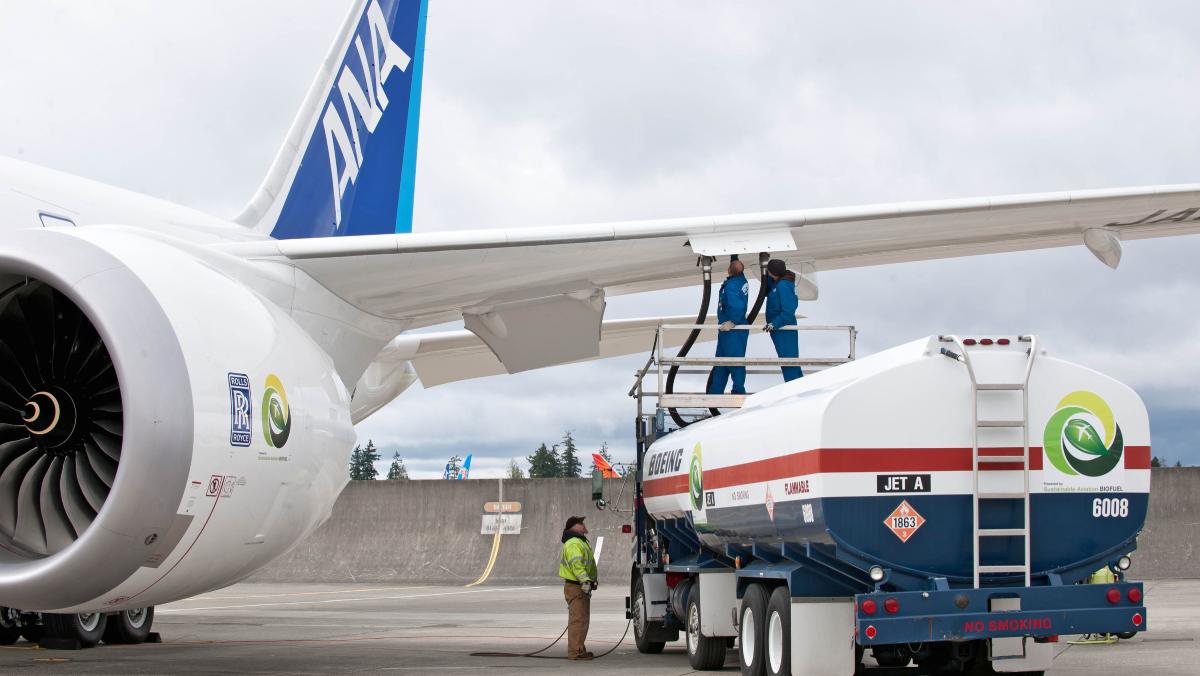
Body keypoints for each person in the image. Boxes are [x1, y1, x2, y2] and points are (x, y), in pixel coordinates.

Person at [707, 256, 749, 395]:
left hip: (733, 329)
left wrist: (733, 322)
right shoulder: (740, 281)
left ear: (729, 270)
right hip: (728, 329)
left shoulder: (731, 286)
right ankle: (715, 393)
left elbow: (737, 307)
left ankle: (738, 392)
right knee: (721, 363)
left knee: (734, 361)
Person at [559, 515, 598, 660]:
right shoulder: (573, 543)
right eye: (581, 523)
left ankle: (579, 649)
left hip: (579, 587)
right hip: (577, 587)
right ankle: (575, 652)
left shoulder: (579, 541)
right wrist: (585, 581)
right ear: (574, 527)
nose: (584, 525)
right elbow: (577, 565)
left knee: (582, 620)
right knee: (578, 620)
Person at [764, 259, 803, 382]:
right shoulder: (778, 282)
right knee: (788, 360)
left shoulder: (783, 285)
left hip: (784, 328)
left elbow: (788, 311)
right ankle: (798, 386)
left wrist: (774, 324)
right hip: (779, 328)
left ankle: (794, 387)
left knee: (788, 360)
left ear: (772, 272)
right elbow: (769, 287)